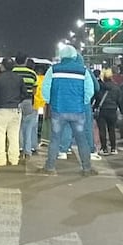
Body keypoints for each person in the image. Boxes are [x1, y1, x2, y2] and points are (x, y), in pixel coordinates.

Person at [40, 43, 94, 175]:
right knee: (82, 140)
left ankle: (50, 167)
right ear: (74, 56)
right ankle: (86, 168)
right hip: (77, 111)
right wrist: (82, 102)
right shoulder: (83, 71)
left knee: (55, 139)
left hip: (58, 110)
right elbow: (89, 91)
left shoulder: (53, 70)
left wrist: (51, 101)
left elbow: (45, 89)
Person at [0, 57, 25, 167]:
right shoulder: (18, 78)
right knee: (13, 135)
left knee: (0, 135)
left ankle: (0, 158)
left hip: (1, 109)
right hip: (15, 109)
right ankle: (14, 158)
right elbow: (25, 94)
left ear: (2, 66)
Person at [12, 55, 39, 160]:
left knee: (16, 127)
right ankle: (27, 151)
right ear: (26, 61)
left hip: (15, 102)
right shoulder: (32, 73)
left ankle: (18, 148)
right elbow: (34, 90)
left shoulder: (12, 72)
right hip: (28, 101)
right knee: (28, 127)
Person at [93, 68, 121, 155]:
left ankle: (104, 148)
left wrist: (94, 107)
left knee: (102, 129)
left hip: (102, 110)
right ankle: (113, 148)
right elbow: (119, 100)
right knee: (112, 129)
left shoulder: (100, 87)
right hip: (112, 110)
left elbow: (96, 99)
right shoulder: (116, 87)